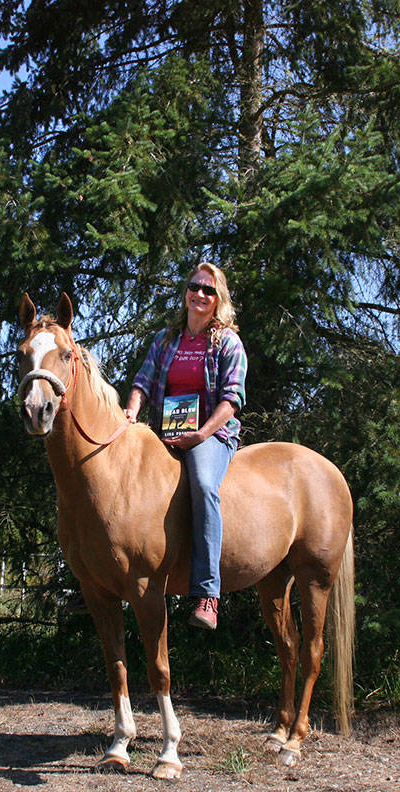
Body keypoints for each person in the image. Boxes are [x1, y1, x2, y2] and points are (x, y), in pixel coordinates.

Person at [124, 262, 247, 630]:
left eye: (209, 290)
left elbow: (232, 399)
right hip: (161, 432)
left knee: (205, 486)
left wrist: (202, 435)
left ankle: (208, 592)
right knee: (112, 476)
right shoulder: (166, 339)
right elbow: (142, 382)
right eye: (195, 286)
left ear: (218, 299)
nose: (200, 294)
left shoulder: (228, 341)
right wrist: (131, 413)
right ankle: (99, 578)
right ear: (186, 291)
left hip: (210, 435)